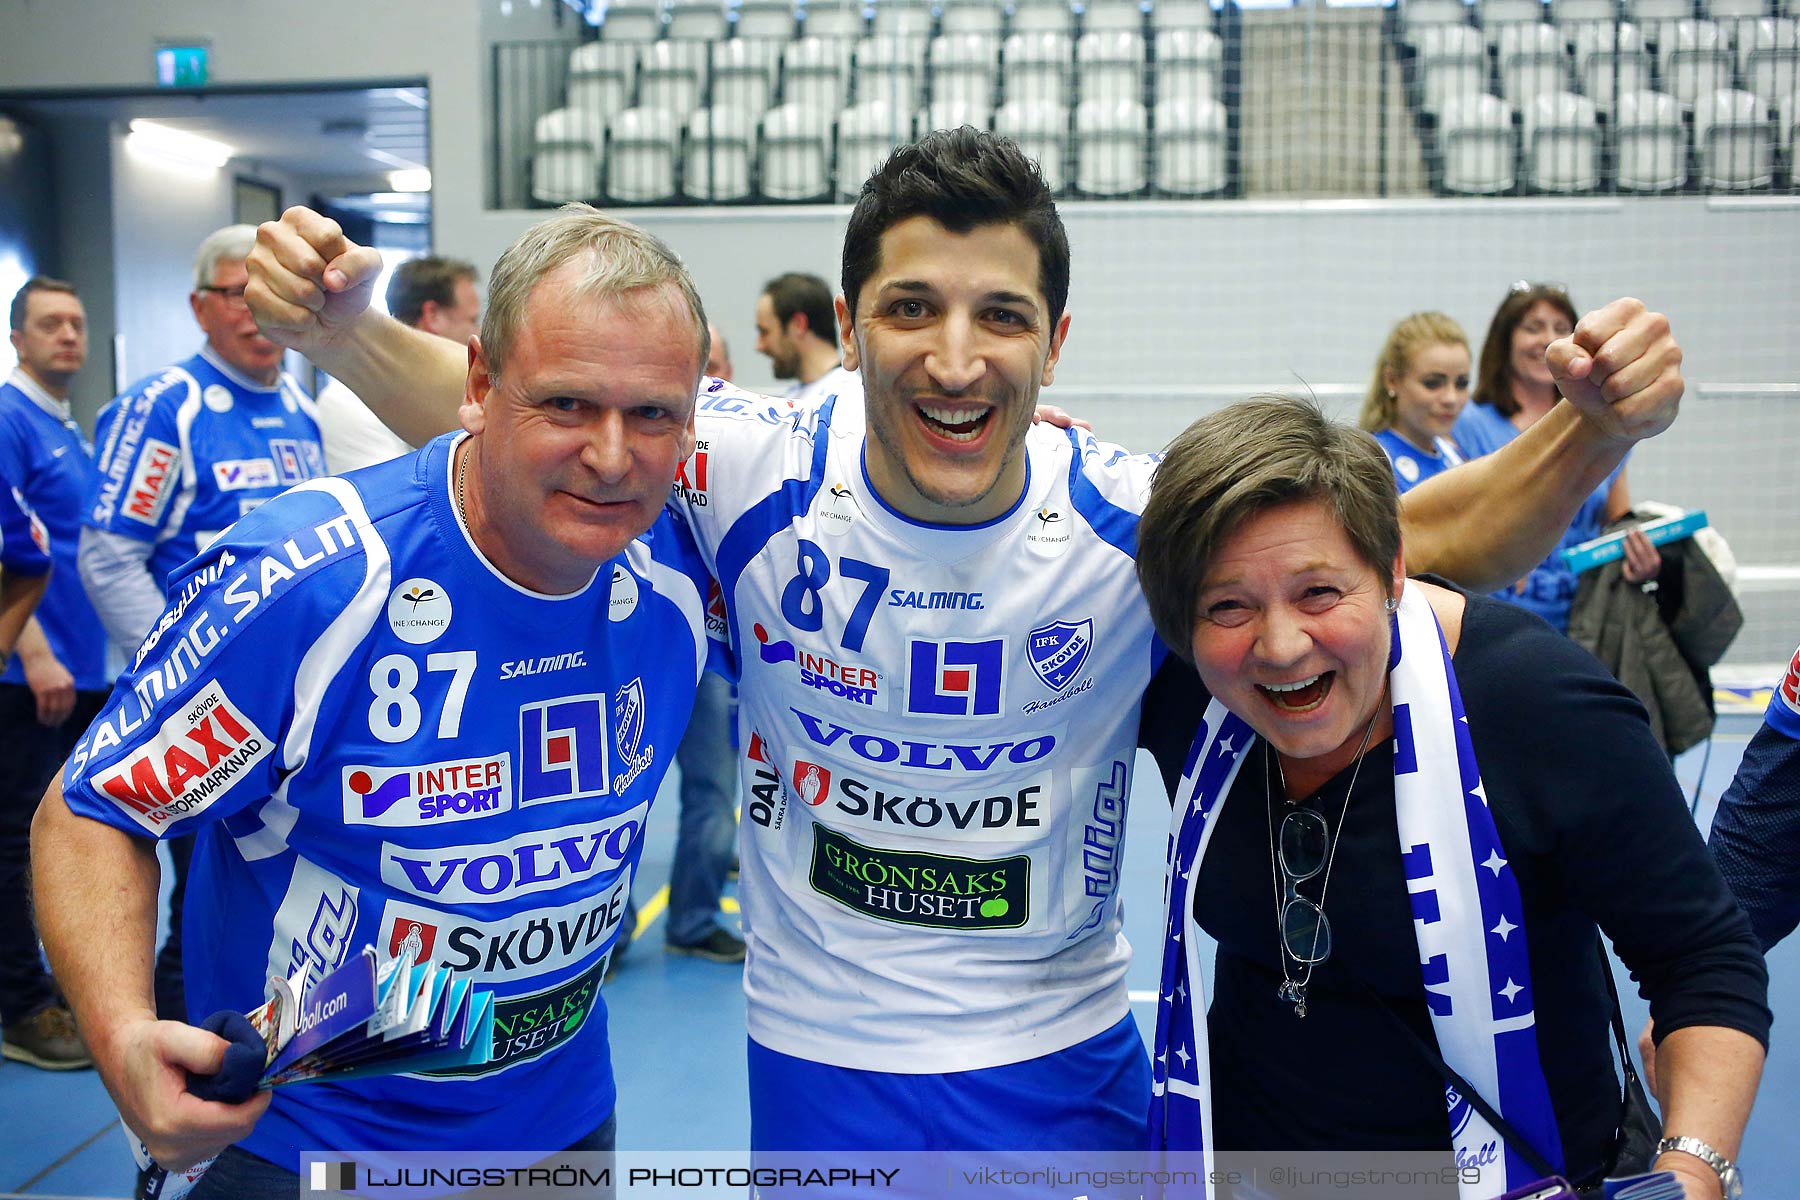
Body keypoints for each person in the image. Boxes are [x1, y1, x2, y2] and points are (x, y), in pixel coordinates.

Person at [246, 128, 1685, 1151]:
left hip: (1064, 1067)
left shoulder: (1130, 519)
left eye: (1000, 316)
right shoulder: (745, 464)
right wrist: (340, 328)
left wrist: (1591, 432)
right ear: (852, 328)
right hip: (822, 1065)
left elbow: (1416, 546)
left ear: (1055, 341)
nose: (953, 357)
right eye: (910, 310)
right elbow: (501, 404)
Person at [33, 205, 716, 1193]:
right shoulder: (317, 579)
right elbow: (92, 813)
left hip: (563, 1128)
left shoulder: (680, 576)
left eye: (652, 414)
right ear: (479, 384)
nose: (612, 457)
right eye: (565, 405)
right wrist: (123, 1035)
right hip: (302, 1147)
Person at [1134, 396, 1766, 1200]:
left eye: (1320, 592)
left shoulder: (1536, 707)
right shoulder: (1186, 692)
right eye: (1228, 605)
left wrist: (1694, 1170)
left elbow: (1706, 961)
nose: (1282, 646)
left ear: (1392, 569)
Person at [79, 225, 327, 1026]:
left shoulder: (300, 409)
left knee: (258, 897)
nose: (259, 310)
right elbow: (110, 557)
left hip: (288, 719)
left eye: (275, 292)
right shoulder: (166, 407)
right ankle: (165, 1102)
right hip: (201, 715)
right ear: (201, 307)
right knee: (196, 899)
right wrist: (183, 681)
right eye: (238, 292)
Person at [0, 276, 112, 1071]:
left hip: (84, 666)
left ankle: (66, 983)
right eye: (49, 324)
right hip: (31, 674)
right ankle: (22, 1005)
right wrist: (32, 650)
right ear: (17, 337)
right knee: (13, 843)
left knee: (71, 838)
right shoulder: (8, 420)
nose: (67, 336)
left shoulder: (66, 428)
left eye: (75, 322)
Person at [614, 321, 747, 970]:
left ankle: (693, 920)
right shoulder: (631, 444)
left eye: (718, 368)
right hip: (633, 645)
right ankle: (604, 934)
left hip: (712, 654)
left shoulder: (745, 463)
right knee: (616, 795)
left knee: (713, 791)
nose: (710, 381)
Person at [1454, 283, 1660, 633]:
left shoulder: (1598, 424)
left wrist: (1642, 561)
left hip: (1585, 621)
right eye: (1532, 328)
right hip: (1496, 618)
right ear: (1505, 340)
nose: (1547, 340)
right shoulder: (1466, 424)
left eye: (1560, 329)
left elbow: (1617, 523)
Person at [314, 255, 481, 474]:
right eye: (472, 320)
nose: (478, 333)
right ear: (432, 316)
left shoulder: (464, 397)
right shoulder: (347, 401)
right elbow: (393, 499)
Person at [1358, 310, 1470, 494]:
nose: (1451, 398)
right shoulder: (1372, 462)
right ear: (1392, 380)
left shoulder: (1453, 455)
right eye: (1432, 383)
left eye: (1461, 383)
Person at [753, 271, 860, 403]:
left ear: (798, 325)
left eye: (765, 332)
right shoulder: (793, 397)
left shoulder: (847, 398)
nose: (759, 346)